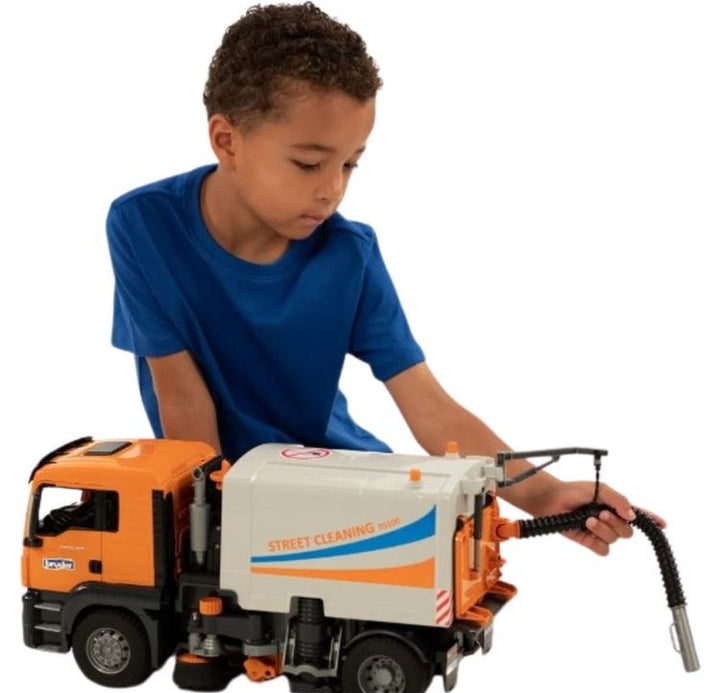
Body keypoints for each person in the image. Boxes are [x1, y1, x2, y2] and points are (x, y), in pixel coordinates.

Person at [107, 2, 663, 556]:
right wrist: (207, 529)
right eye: (308, 164)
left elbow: (431, 408)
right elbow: (181, 398)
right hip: (228, 499)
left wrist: (543, 495)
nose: (332, 190)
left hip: (344, 487)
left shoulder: (349, 256)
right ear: (226, 140)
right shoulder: (143, 226)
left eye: (350, 164)